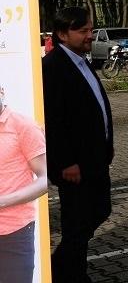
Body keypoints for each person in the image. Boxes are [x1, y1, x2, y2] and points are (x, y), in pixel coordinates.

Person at [43, 6, 114, 283]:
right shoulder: (53, 68)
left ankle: (65, 269)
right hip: (74, 166)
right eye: (82, 30)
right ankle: (65, 272)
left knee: (98, 211)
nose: (90, 36)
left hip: (94, 159)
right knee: (77, 223)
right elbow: (53, 120)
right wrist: (64, 162)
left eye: (90, 29)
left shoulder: (82, 62)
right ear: (62, 34)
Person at [0, 84, 47, 283]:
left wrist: (3, 201)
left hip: (14, 232)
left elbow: (45, 178)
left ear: (1, 91)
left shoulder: (23, 126)